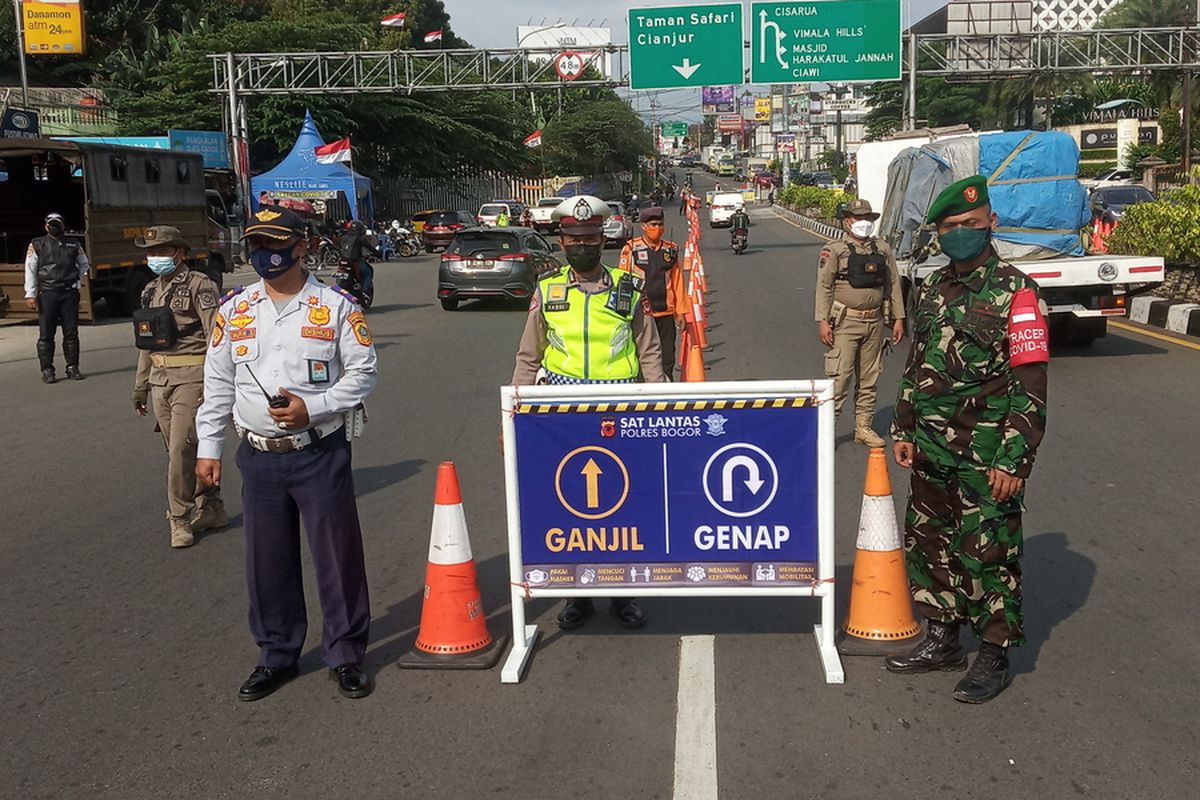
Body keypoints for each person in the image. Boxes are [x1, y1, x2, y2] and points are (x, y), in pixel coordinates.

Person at [195, 205, 379, 702]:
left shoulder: (337, 306)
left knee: (336, 557)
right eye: (257, 245)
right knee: (266, 561)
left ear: (302, 246)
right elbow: (217, 382)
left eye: (276, 244)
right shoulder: (235, 309)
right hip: (258, 456)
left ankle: (345, 653)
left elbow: (363, 374)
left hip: (318, 450)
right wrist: (208, 446)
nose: (265, 255)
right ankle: (276, 654)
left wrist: (313, 408)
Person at [885, 176, 1049, 703]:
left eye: (970, 226)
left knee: (989, 552)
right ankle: (942, 637)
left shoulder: (1018, 293)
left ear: (991, 225)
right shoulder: (932, 287)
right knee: (931, 542)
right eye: (950, 227)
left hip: (985, 453)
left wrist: (1013, 460)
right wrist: (904, 426)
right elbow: (916, 365)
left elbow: (1031, 388)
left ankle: (994, 655)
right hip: (931, 448)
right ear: (937, 233)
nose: (960, 234)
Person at [512, 195, 666, 631]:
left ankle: (622, 593)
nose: (582, 245)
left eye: (590, 238)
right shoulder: (548, 290)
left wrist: (658, 407)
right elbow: (528, 357)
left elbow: (650, 352)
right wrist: (515, 412)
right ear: (561, 241)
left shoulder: (628, 288)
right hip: (563, 416)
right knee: (569, 506)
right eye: (573, 239)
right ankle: (576, 593)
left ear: (603, 239)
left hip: (621, 412)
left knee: (624, 505)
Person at [131, 226, 228, 548]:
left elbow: (216, 335)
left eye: (162, 251)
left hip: (192, 376)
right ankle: (211, 505)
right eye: (151, 251)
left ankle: (179, 518)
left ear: (180, 253)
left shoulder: (200, 286)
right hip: (160, 379)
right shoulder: (150, 290)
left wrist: (220, 383)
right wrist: (140, 386)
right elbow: (146, 342)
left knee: (180, 450)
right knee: (185, 450)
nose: (155, 257)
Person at [814, 198, 905, 447]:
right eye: (859, 218)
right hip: (845, 321)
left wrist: (899, 318)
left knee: (869, 377)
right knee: (840, 377)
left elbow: (893, 283)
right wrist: (823, 320)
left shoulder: (883, 249)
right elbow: (824, 286)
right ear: (847, 221)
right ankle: (825, 430)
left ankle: (863, 428)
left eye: (868, 219)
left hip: (874, 321)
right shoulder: (835, 250)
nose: (864, 223)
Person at [617, 207, 685, 379]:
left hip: (666, 313)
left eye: (660, 224)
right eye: (653, 224)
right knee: (642, 356)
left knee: (667, 357)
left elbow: (678, 281)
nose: (658, 228)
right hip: (642, 315)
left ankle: (666, 392)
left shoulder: (671, 250)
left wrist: (681, 312)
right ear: (644, 226)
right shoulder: (631, 249)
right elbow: (622, 281)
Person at [24, 212, 89, 383]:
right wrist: (30, 294)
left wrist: (76, 280)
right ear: (46, 226)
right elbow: (30, 269)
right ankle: (47, 370)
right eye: (51, 224)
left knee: (71, 333)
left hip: (68, 293)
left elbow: (84, 264)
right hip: (48, 293)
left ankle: (72, 367)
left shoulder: (74, 244)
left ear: (63, 225)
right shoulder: (37, 244)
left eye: (57, 223)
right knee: (46, 334)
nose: (54, 226)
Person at [338, 220, 380, 298]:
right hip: (355, 261)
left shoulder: (343, 237)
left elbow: (340, 248)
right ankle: (364, 291)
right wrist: (378, 254)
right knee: (368, 272)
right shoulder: (360, 238)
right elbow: (370, 248)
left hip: (343, 260)